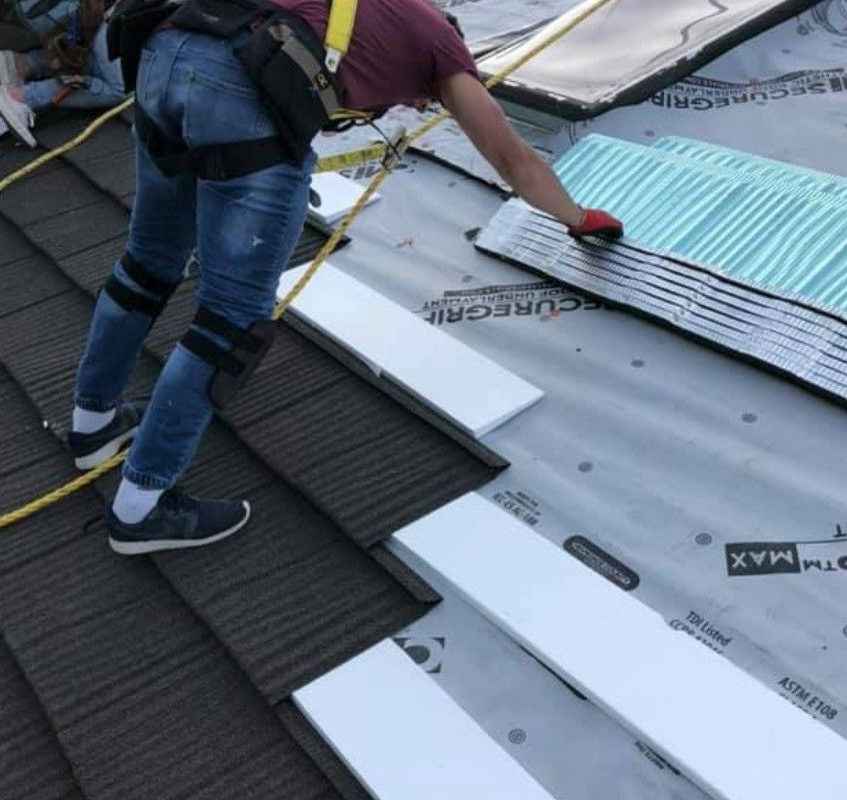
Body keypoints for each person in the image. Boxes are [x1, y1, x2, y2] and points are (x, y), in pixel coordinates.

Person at [68, 0, 624, 556]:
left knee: (148, 264)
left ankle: (93, 424)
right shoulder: (440, 43)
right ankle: (141, 509)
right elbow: (512, 159)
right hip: (234, 92)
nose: (416, 104)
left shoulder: (362, 15)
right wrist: (577, 218)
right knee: (229, 320)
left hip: (163, 55)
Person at [0, 0, 125, 147]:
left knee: (102, 58)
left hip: (37, 8)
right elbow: (92, 11)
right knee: (118, 88)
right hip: (57, 9)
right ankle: (20, 97)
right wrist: (76, 45)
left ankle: (23, 64)